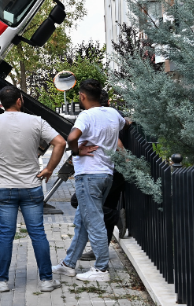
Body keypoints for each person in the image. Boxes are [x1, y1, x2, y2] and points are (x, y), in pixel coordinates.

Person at [0, 85, 67, 293]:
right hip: (31, 187)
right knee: (37, 233)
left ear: (2, 103)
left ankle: (1, 281)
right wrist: (49, 169)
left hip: (4, 187)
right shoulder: (36, 121)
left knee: (6, 235)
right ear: (20, 101)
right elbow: (60, 142)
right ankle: (46, 280)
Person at [52, 79, 128, 282]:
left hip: (89, 176)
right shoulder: (113, 114)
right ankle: (69, 264)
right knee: (82, 221)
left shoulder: (86, 116)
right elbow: (124, 123)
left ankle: (101, 269)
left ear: (83, 96)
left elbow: (71, 138)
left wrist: (78, 151)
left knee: (94, 222)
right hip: (106, 175)